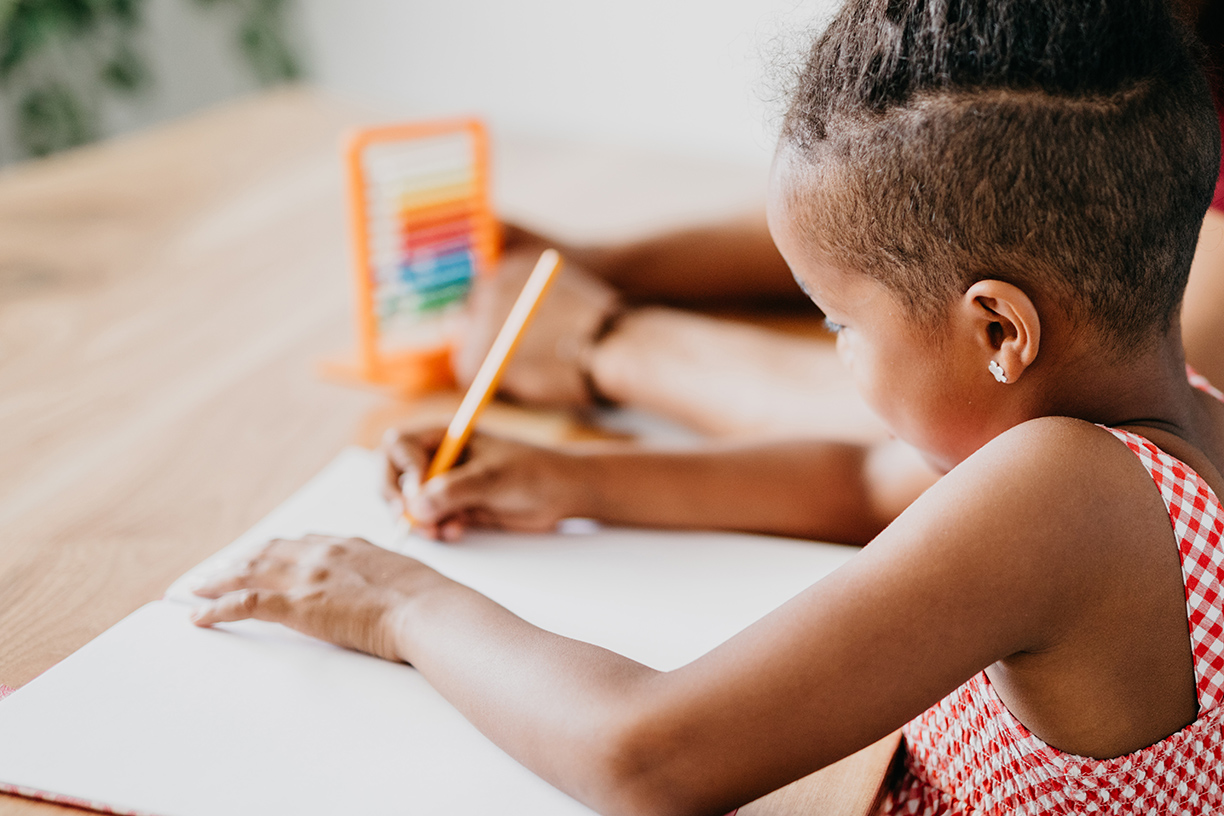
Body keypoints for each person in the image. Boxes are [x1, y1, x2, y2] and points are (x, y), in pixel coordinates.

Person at [191, 1, 1224, 813]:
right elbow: (858, 481)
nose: (842, 352)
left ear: (1000, 332)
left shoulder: (1065, 494)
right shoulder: (1183, 422)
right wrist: (577, 479)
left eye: (840, 325)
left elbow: (649, 757)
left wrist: (394, 601)